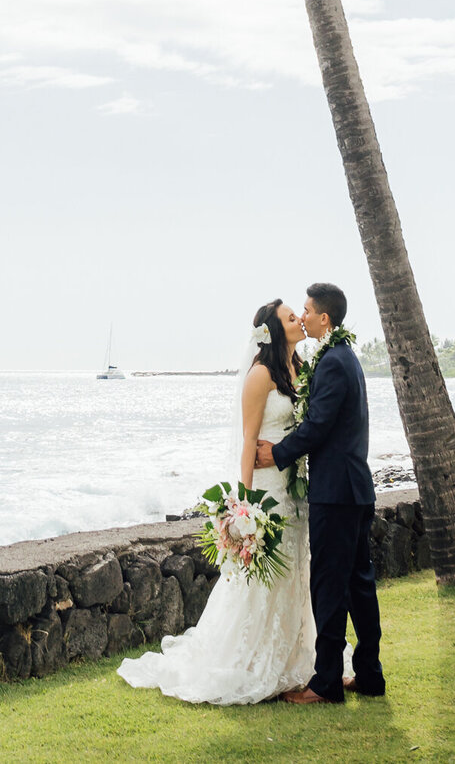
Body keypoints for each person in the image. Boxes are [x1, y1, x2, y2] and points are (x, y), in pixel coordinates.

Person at [117, 298, 315, 704]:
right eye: (291, 317)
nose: (300, 319)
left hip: (295, 490)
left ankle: (295, 657)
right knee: (262, 579)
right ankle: (249, 659)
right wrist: (246, 506)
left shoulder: (299, 369)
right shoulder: (260, 375)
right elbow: (248, 442)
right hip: (267, 491)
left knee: (296, 571)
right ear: (275, 331)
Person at [256, 281, 385, 704]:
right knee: (359, 585)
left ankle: (327, 682)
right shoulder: (345, 356)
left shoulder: (332, 361)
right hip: (355, 489)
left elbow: (317, 428)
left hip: (336, 494)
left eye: (307, 310)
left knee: (330, 587)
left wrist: (277, 453)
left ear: (323, 318)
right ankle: (369, 674)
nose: (303, 316)